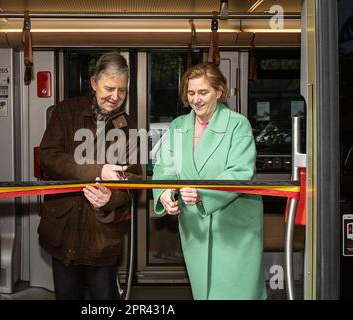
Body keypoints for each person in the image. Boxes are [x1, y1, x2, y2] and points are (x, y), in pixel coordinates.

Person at [152, 62, 267, 300]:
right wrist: (164, 192)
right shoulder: (178, 126)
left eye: (203, 92)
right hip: (195, 227)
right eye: (191, 93)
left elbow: (239, 172)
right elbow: (165, 167)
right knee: (204, 293)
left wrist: (202, 193)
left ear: (219, 91)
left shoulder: (238, 125)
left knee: (237, 293)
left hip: (234, 228)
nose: (196, 99)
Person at [38, 52, 141, 300]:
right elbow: (49, 157)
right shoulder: (65, 112)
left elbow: (136, 177)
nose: (115, 97)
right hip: (64, 229)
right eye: (109, 88)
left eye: (122, 90)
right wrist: (99, 171)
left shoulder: (129, 125)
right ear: (94, 83)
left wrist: (110, 199)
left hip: (102, 233)